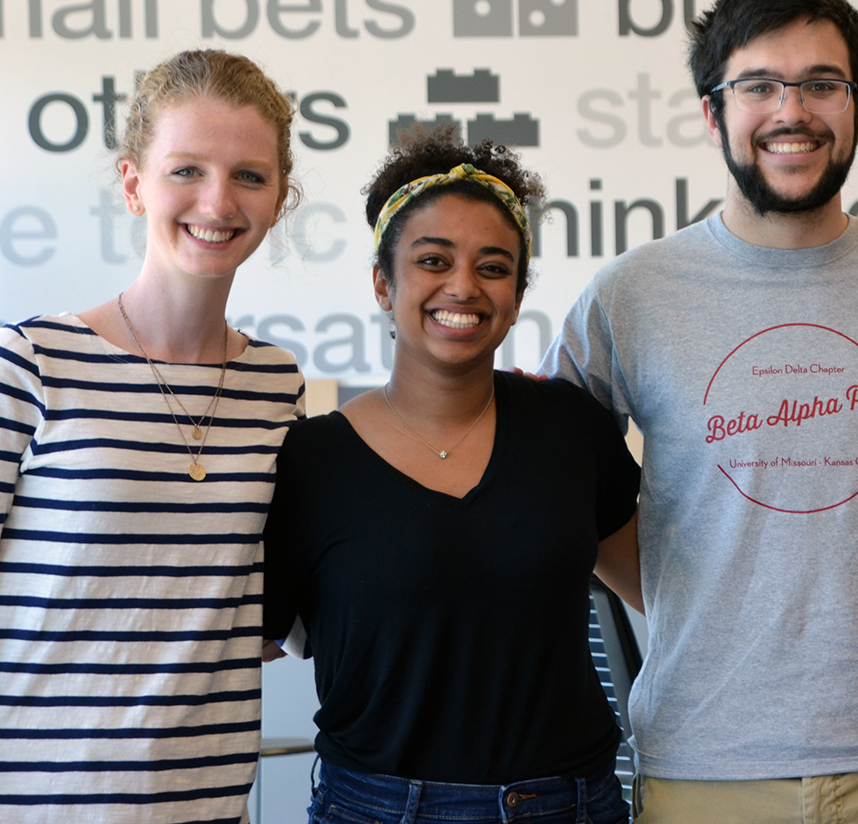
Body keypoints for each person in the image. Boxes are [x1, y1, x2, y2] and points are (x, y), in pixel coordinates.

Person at [540, 0, 858, 823]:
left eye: (823, 84)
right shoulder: (632, 293)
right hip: (705, 763)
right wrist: (681, 584)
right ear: (714, 111)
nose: (793, 111)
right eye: (760, 85)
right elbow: (552, 478)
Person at [262, 130, 641, 824]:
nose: (463, 286)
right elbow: (272, 631)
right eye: (433, 260)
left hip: (570, 805)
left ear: (518, 292)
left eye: (493, 267)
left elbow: (662, 590)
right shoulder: (310, 458)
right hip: (376, 807)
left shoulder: (569, 426)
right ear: (383, 281)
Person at [0, 49, 305, 823]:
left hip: (205, 808)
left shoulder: (278, 387)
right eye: (186, 170)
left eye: (249, 176)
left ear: (280, 199)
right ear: (133, 183)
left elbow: (277, 607)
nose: (218, 200)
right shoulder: (32, 361)